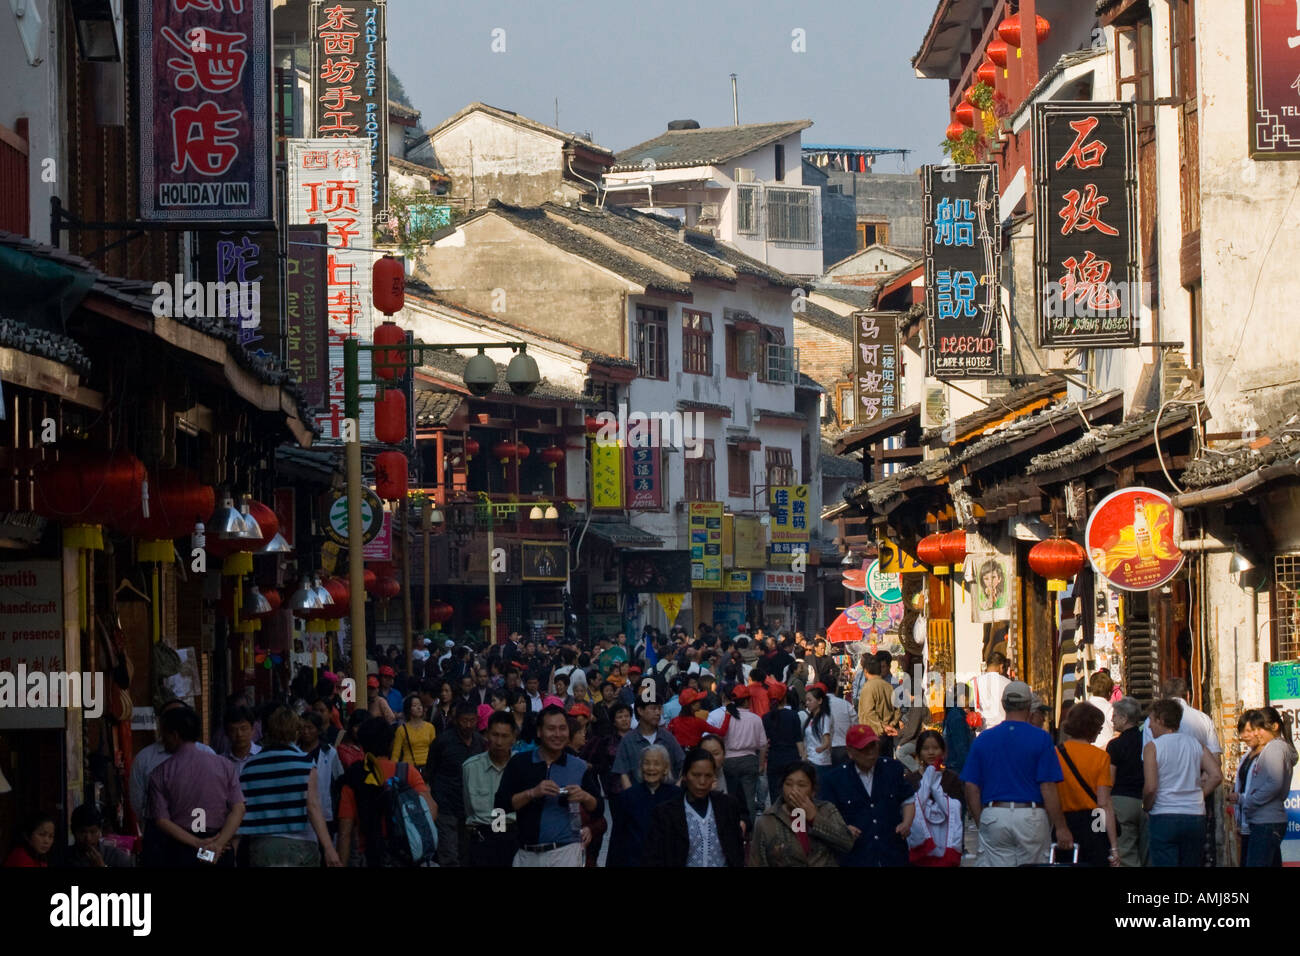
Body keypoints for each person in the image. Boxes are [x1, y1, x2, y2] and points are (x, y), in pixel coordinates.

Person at [960, 681, 1073, 867]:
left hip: (994, 812)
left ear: (1004, 704)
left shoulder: (984, 739)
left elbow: (971, 787)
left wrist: (983, 820)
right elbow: (1048, 787)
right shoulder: (1041, 738)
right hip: (1031, 814)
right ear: (1029, 706)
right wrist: (1061, 827)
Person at [495, 704, 603, 867]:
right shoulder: (519, 763)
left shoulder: (578, 765)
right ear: (539, 731)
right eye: (551, 729)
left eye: (562, 728)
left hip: (565, 852)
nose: (557, 734)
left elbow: (599, 808)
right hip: (527, 853)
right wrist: (532, 793)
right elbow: (499, 807)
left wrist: (585, 797)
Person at [237, 705, 341, 867]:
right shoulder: (305, 764)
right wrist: (329, 848)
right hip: (301, 846)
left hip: (262, 847)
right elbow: (312, 806)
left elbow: (241, 809)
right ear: (296, 732)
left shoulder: (250, 766)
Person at [147, 705, 245, 867]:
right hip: (218, 847)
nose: (162, 739)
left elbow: (162, 820)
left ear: (175, 735)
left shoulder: (160, 773)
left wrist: (198, 843)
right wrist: (218, 844)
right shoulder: (224, 765)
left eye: (164, 734)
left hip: (182, 850)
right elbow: (239, 808)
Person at [337, 717, 438, 867]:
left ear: (363, 744)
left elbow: (345, 833)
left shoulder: (353, 777)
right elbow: (431, 811)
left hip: (371, 856)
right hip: (406, 855)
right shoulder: (406, 772)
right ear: (391, 744)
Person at [818, 725, 915, 867]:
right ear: (850, 752)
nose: (871, 753)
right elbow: (825, 815)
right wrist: (842, 829)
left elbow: (908, 799)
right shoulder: (834, 780)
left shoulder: (892, 769)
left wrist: (906, 822)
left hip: (892, 853)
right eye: (864, 749)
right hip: (857, 856)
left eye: (873, 746)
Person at [1143, 698, 1223, 867]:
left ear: (1161, 720)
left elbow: (1150, 787)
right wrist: (1200, 795)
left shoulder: (1152, 747)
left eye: (1151, 720)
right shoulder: (1195, 744)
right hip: (1194, 815)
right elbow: (1216, 775)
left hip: (1164, 814)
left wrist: (1146, 806)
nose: (1149, 726)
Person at [642, 746, 746, 867]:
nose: (702, 782)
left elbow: (736, 851)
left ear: (714, 777)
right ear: (685, 776)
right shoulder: (666, 813)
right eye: (696, 775)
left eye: (708, 776)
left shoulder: (727, 806)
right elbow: (654, 856)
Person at [748, 761, 855, 867]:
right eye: (788, 784)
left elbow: (847, 843)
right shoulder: (768, 820)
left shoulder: (826, 810)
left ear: (813, 790)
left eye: (802, 785)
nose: (794, 790)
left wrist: (814, 818)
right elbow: (757, 861)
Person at [129, 698, 217, 827]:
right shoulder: (144, 758)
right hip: (159, 835)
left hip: (200, 828)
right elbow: (138, 802)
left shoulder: (208, 754)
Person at [1055, 702, 1119, 867]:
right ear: (1091, 728)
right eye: (1098, 728)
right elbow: (1104, 804)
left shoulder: (1056, 753)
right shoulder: (1101, 757)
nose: (1099, 732)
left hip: (1065, 819)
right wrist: (1113, 847)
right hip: (1095, 819)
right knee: (1096, 859)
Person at [1233, 706, 1296, 867]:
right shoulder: (1274, 747)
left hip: (1266, 821)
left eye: (1260, 729)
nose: (1256, 734)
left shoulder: (1275, 747)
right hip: (1265, 820)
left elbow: (1275, 783)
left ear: (1274, 727)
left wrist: (1250, 801)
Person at [426, 700, 486, 867]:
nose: (468, 725)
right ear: (456, 719)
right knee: (449, 855)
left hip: (469, 808)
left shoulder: (480, 742)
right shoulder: (443, 742)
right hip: (446, 806)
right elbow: (430, 773)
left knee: (466, 853)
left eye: (472, 720)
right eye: (464, 721)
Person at [462, 711, 521, 867]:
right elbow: (468, 808)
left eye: (505, 736)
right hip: (482, 839)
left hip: (514, 837)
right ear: (487, 735)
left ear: (513, 738)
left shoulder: (522, 767)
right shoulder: (470, 767)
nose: (499, 742)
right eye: (495, 735)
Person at [608, 745, 681, 867]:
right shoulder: (628, 796)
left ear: (665, 768)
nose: (651, 768)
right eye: (646, 763)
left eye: (657, 764)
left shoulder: (676, 796)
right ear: (641, 767)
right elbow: (617, 838)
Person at [903, 731, 964, 867]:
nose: (931, 752)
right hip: (920, 849)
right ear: (918, 753)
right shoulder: (910, 780)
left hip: (945, 843)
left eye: (935, 748)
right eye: (925, 749)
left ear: (943, 751)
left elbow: (958, 812)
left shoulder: (952, 779)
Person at [1105, 696, 1148, 866]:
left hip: (1122, 802)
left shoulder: (1115, 745)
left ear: (1124, 718)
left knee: (1125, 853)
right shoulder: (1147, 742)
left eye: (1115, 715)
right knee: (1145, 852)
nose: (1112, 719)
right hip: (1145, 801)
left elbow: (1110, 779)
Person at [613, 690, 686, 789]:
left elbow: (683, 764)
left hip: (667, 798)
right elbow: (623, 772)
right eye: (653, 708)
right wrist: (631, 796)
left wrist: (676, 790)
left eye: (659, 709)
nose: (657, 713)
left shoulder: (667, 737)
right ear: (640, 711)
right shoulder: (628, 740)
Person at [719, 683, 768, 825]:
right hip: (749, 761)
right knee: (748, 799)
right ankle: (750, 833)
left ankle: (733, 829)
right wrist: (761, 765)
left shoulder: (727, 717)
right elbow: (763, 745)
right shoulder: (755, 719)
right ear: (747, 701)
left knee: (730, 797)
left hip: (729, 762)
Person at [300, 711, 344, 833]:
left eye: (310, 728)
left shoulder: (329, 753)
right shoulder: (295, 752)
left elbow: (339, 782)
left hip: (325, 812)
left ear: (318, 730)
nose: (306, 732)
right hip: (301, 814)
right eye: (303, 728)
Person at [763, 682, 802, 806]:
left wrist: (761, 763)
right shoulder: (793, 715)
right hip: (792, 759)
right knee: (794, 796)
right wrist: (804, 758)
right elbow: (799, 741)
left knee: (775, 795)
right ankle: (797, 824)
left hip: (774, 759)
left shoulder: (766, 718)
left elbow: (764, 744)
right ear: (785, 698)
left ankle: (778, 822)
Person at [856, 657, 901, 757]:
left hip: (872, 734)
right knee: (886, 766)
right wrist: (891, 725)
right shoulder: (888, 686)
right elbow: (897, 710)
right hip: (887, 734)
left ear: (866, 671)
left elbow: (868, 712)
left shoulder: (868, 687)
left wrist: (883, 727)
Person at [392, 693, 437, 769]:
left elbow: (434, 751)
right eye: (415, 705)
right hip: (409, 768)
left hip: (427, 767)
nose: (419, 708)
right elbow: (395, 755)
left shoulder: (430, 727)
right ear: (408, 709)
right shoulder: (401, 729)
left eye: (420, 705)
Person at [971, 652, 1010, 730]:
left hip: (982, 732)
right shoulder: (1008, 684)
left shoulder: (973, 683)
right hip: (1003, 730)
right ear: (1001, 667)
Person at [220, 704, 263, 768]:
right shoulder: (221, 761)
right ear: (226, 733)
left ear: (252, 729)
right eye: (233, 730)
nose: (239, 734)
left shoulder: (263, 756)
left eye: (243, 729)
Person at [800, 686, 833, 768]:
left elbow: (827, 741)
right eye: (806, 700)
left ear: (820, 701)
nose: (807, 703)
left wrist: (821, 748)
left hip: (820, 762)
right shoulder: (811, 719)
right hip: (810, 760)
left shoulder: (824, 718)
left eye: (810, 700)